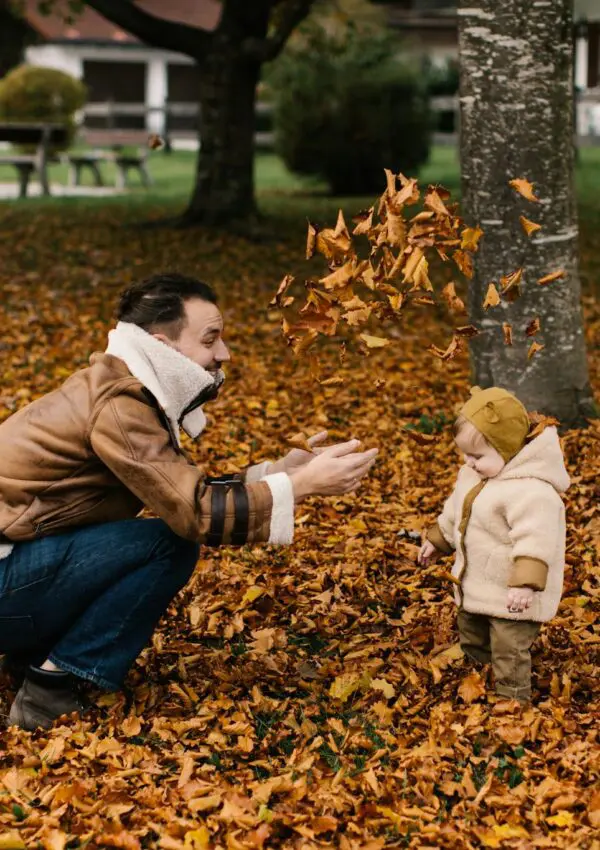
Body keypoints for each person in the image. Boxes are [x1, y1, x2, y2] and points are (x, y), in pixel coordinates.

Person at [0, 273, 378, 730]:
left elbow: (174, 491)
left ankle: (33, 655)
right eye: (210, 339)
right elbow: (193, 514)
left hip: (16, 561)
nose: (224, 354)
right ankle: (48, 688)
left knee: (151, 538)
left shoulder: (120, 385)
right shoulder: (121, 403)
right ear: (163, 345)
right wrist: (303, 487)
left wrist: (281, 472)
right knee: (170, 544)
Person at [417, 387, 569, 703]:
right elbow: (455, 512)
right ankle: (477, 674)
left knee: (509, 646)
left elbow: (537, 539)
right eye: (464, 454)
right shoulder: (472, 477)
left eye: (476, 456)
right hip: (477, 583)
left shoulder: (532, 492)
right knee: (471, 629)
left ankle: (512, 698)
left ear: (509, 450)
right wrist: (438, 540)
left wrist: (525, 584)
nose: (467, 462)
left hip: (514, 595)